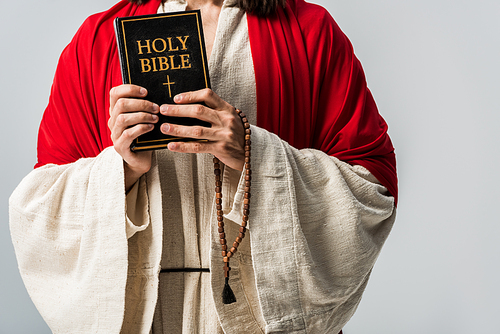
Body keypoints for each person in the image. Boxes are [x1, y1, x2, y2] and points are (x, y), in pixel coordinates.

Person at [9, 0, 398, 332]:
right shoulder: (97, 41)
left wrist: (251, 153)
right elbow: (42, 207)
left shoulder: (309, 31)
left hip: (259, 313)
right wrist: (121, 169)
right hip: (149, 314)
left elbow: (370, 185)